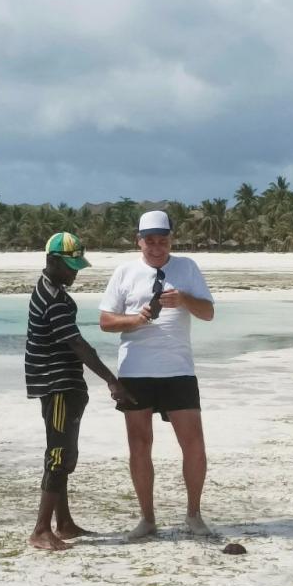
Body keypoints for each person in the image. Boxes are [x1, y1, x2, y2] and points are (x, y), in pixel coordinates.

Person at [99, 210, 215, 539]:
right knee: (139, 445)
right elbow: (106, 322)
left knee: (194, 445)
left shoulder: (187, 268)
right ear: (139, 241)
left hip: (179, 370)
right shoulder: (125, 272)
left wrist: (184, 299)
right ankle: (147, 519)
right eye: (149, 241)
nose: (156, 247)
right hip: (136, 371)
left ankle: (194, 515)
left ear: (171, 240)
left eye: (162, 240)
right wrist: (136, 320)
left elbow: (208, 313)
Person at [25, 232, 132, 551]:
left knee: (62, 453)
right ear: (52, 261)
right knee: (60, 455)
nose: (75, 274)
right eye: (70, 267)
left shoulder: (50, 289)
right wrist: (112, 380)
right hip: (57, 385)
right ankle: (41, 530)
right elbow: (77, 344)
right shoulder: (54, 299)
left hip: (59, 383)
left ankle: (64, 523)